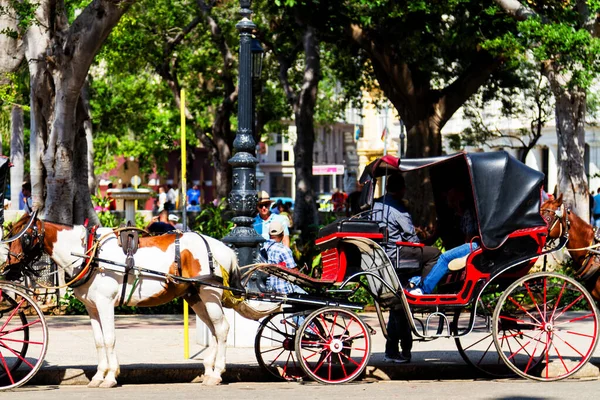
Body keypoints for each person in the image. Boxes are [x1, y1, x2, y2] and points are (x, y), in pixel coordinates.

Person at [372, 174, 441, 364]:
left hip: (383, 255)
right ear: (402, 189)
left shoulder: (376, 205)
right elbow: (411, 240)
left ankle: (395, 350)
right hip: (398, 255)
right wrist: (427, 239)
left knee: (398, 307)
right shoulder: (398, 209)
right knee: (434, 254)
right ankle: (423, 288)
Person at [410, 187, 479, 295]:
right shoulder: (457, 215)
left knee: (444, 257)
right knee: (438, 259)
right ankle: (417, 281)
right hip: (470, 244)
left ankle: (423, 290)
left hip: (474, 245)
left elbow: (469, 238)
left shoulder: (468, 213)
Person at [262, 221, 305, 294]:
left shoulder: (262, 248)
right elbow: (294, 272)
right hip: (284, 290)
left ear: (269, 234)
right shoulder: (284, 250)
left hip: (268, 288)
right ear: (282, 234)